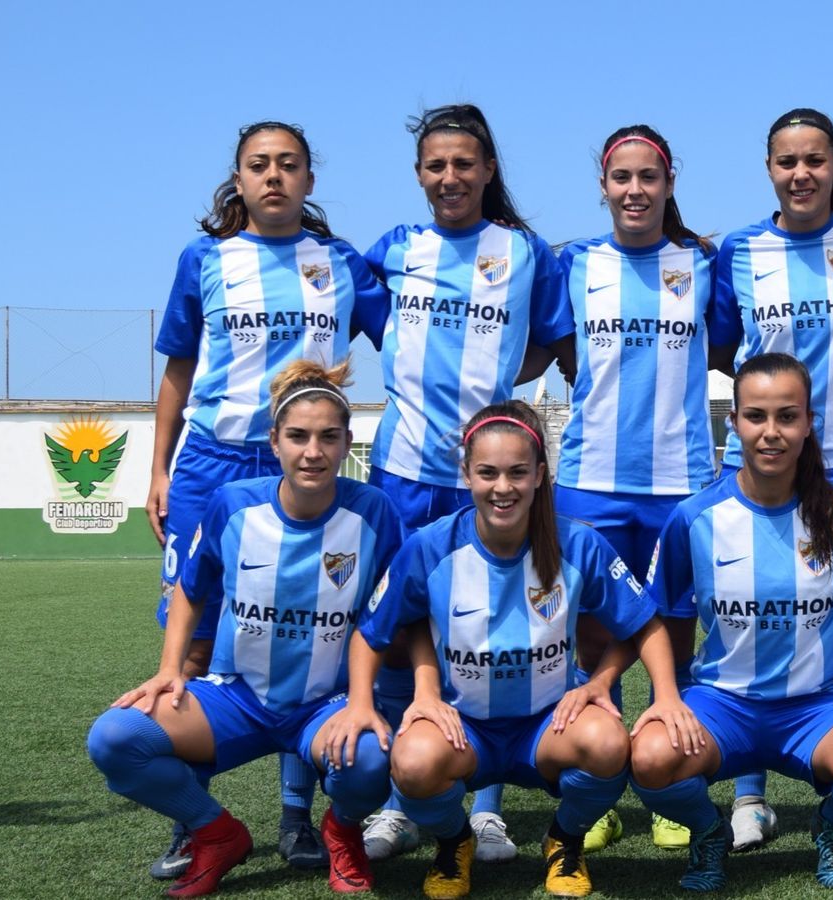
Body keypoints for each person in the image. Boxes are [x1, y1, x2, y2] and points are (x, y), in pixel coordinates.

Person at [145, 121, 390, 877]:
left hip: (307, 454)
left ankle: (299, 816)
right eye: (259, 165)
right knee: (191, 638)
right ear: (239, 178)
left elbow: (408, 339)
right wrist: (158, 469)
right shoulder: (205, 260)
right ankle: (197, 820)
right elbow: (179, 371)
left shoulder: (343, 264)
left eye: (289, 165)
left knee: (313, 629)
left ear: (310, 180)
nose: (274, 177)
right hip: (216, 463)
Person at [88, 359, 404, 897]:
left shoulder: (375, 512)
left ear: (348, 442)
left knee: (371, 759)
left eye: (329, 437)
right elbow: (192, 586)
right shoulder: (234, 505)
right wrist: (170, 670)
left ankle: (341, 831)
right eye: (298, 436)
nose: (313, 451)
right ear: (274, 441)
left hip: (323, 705)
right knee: (116, 739)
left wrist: (361, 699)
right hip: (237, 698)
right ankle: (216, 834)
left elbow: (389, 614)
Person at [359, 403, 700, 899]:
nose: (504, 487)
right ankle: (455, 842)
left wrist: (636, 691)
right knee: (412, 762)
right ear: (467, 474)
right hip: (464, 727)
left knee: (608, 743)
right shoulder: (430, 548)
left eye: (518, 472)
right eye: (488, 473)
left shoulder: (578, 544)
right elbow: (374, 631)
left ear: (541, 474)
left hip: (547, 724)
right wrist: (392, 698)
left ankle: (564, 841)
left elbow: (643, 622)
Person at [358, 103, 576, 865]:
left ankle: (486, 810)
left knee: (491, 633)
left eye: (463, 164)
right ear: (419, 175)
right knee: (395, 636)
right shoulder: (394, 248)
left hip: (487, 476)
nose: (449, 177)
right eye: (434, 165)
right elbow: (366, 321)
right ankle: (399, 800)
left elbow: (552, 339)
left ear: (488, 169)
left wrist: (495, 379)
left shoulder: (524, 253)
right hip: (403, 471)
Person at [629, 354, 833, 891]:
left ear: (809, 424)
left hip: (817, 706)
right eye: (756, 416)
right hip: (722, 704)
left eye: (787, 416)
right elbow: (661, 623)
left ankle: (830, 828)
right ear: (734, 421)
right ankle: (708, 831)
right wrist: (667, 699)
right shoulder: (694, 518)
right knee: (647, 759)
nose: (771, 432)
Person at [710, 108, 833, 852]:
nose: (802, 174)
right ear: (769, 169)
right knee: (752, 614)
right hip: (760, 461)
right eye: (787, 161)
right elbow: (728, 347)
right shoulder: (741, 250)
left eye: (815, 160)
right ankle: (750, 794)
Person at [555, 123, 731, 852]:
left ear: (668, 185)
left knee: (677, 638)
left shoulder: (700, 265)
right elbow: (561, 351)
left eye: (648, 178)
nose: (634, 190)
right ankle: (595, 787)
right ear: (603, 186)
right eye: (621, 178)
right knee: (590, 639)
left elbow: (721, 349)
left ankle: (667, 782)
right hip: (588, 482)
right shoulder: (573, 264)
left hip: (679, 483)